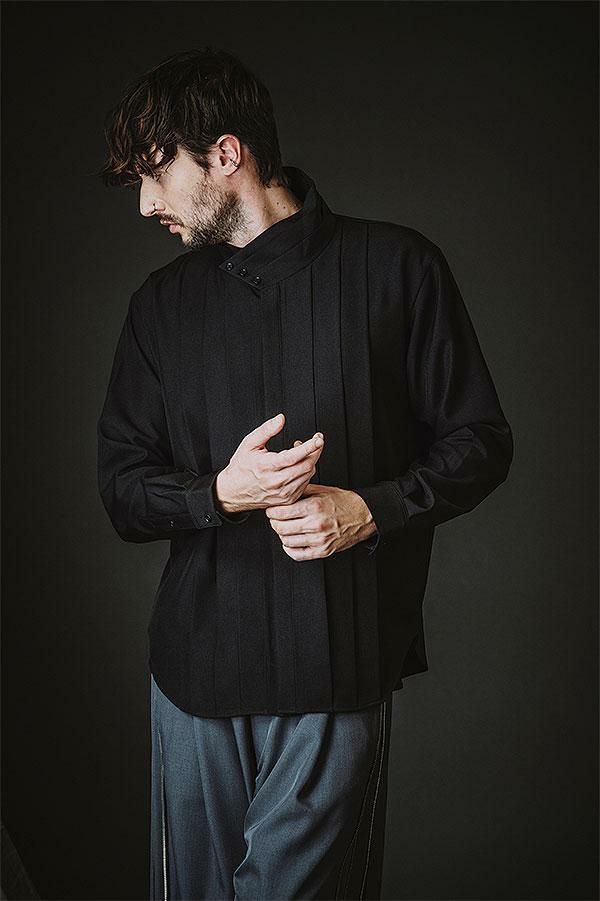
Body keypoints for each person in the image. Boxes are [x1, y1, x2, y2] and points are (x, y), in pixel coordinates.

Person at [96, 46, 514, 901]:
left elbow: (480, 440)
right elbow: (122, 490)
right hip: (193, 674)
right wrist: (221, 492)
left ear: (225, 154)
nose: (145, 204)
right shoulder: (158, 307)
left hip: (341, 665)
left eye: (155, 173)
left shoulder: (399, 268)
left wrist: (372, 508)